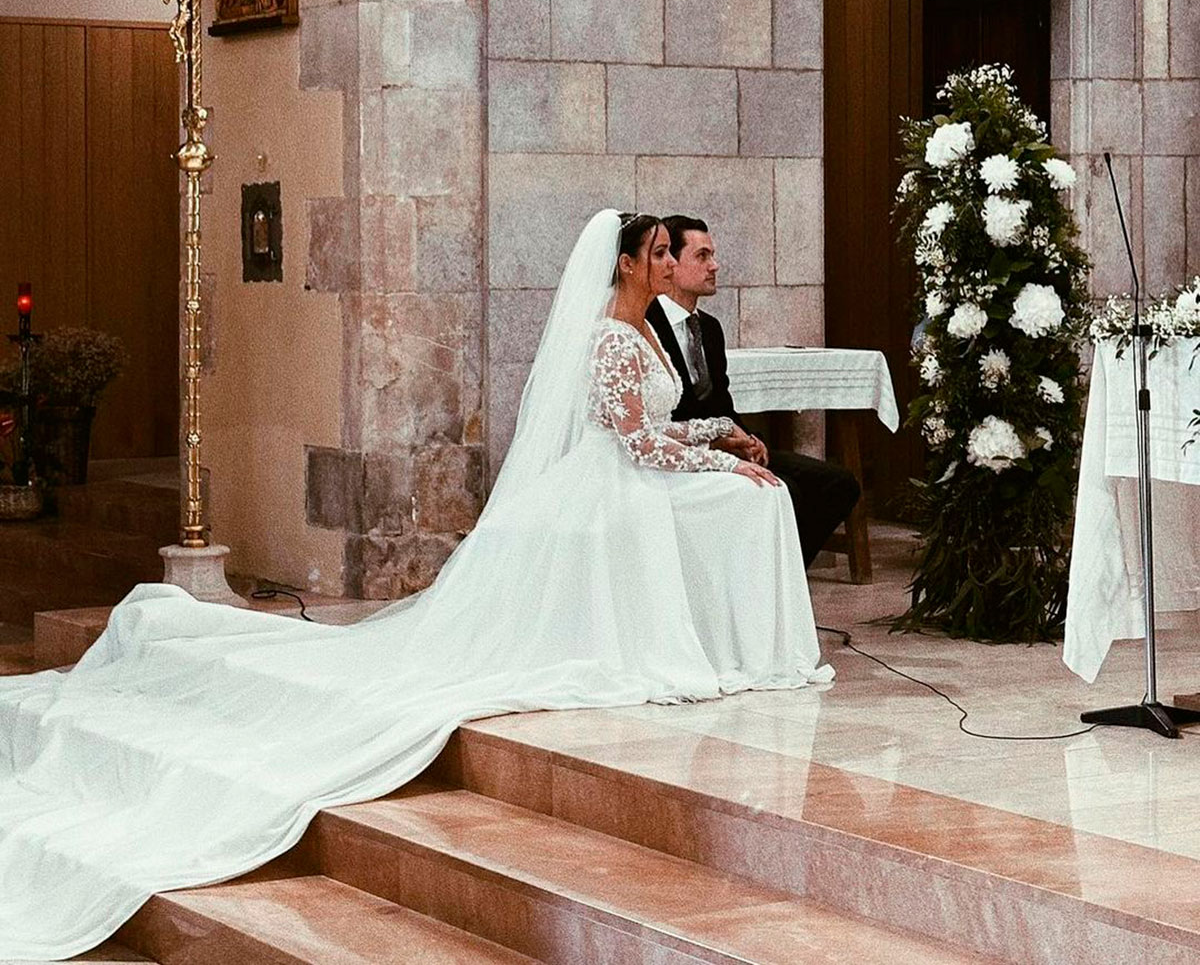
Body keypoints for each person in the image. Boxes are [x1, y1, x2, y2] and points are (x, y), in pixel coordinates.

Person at [0, 210, 831, 959]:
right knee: (745, 501)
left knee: (750, 502)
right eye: (657, 254)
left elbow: (662, 424)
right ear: (626, 265)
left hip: (648, 472)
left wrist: (720, 433)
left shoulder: (648, 331)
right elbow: (629, 441)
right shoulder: (612, 339)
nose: (665, 265)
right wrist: (716, 456)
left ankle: (742, 639)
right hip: (617, 480)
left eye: (666, 254)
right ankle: (721, 638)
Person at [646, 214, 862, 569]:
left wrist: (750, 439)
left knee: (838, 483)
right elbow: (659, 414)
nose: (714, 266)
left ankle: (781, 574)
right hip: (684, 451)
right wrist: (718, 443)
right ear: (672, 262)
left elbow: (722, 404)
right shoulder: (647, 324)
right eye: (702, 256)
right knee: (781, 490)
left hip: (728, 442)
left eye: (713, 255)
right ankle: (758, 574)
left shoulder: (710, 329)